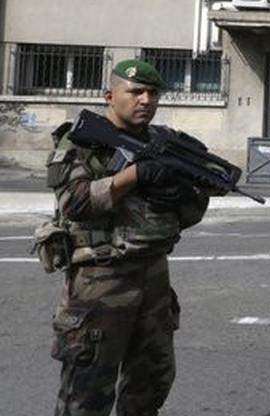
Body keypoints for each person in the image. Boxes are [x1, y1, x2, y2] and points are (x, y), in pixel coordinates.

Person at [46, 59, 213, 415]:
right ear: (109, 95)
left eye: (153, 93)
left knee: (152, 383)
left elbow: (186, 216)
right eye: (136, 91)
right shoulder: (81, 142)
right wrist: (134, 175)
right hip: (100, 281)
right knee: (86, 395)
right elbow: (74, 203)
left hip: (153, 275)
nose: (146, 100)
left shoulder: (166, 144)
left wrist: (183, 195)